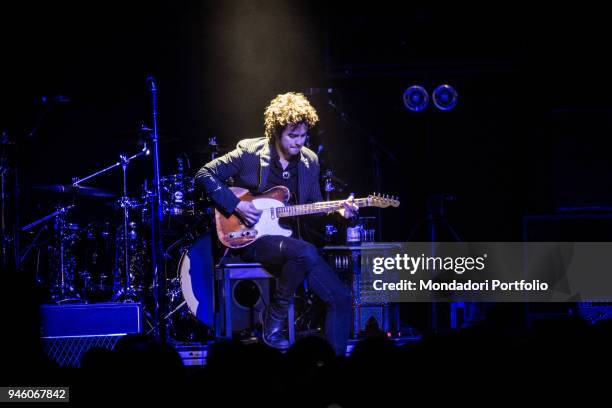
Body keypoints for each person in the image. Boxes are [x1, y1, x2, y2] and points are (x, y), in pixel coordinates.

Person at [196, 92, 356, 355]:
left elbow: (314, 206)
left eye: (303, 136)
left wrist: (338, 212)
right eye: (292, 136)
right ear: (276, 131)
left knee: (342, 298)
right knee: (304, 251)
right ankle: (276, 314)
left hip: (290, 245)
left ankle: (334, 369)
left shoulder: (309, 161)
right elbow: (204, 174)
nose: (298, 142)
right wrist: (236, 204)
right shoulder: (249, 152)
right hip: (249, 236)